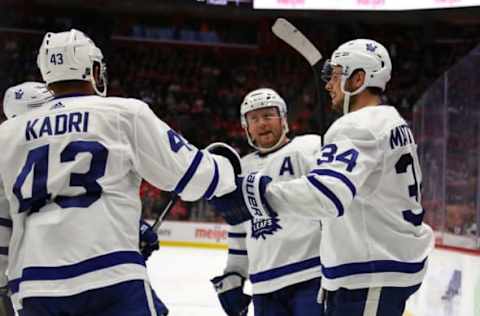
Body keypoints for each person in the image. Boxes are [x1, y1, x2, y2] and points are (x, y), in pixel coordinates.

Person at [0, 29, 237, 316]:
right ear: (94, 69)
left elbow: (2, 221)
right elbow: (191, 176)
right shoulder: (124, 114)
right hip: (110, 273)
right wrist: (227, 168)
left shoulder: (7, 134)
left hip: (36, 286)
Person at [209, 39, 434, 316]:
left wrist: (256, 193)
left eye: (337, 75)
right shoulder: (391, 121)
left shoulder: (356, 126)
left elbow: (326, 195)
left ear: (359, 78)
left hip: (370, 272)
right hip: (377, 267)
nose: (328, 84)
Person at [211, 88, 323, 316]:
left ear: (283, 119)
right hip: (264, 284)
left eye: (268, 116)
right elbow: (239, 229)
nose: (262, 124)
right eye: (254, 119)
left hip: (312, 274)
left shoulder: (309, 147)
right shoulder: (239, 168)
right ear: (246, 128)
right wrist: (234, 273)